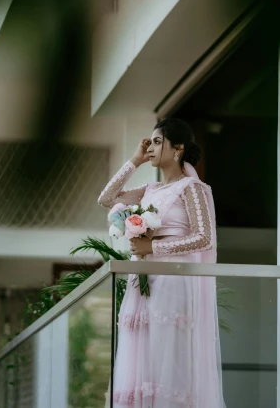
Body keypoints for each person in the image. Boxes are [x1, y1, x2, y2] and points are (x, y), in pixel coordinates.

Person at [98, 118, 226, 407]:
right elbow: (106, 199)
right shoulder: (150, 189)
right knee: (143, 359)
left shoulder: (192, 188)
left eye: (158, 142)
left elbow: (204, 238)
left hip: (172, 280)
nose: (151, 147)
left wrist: (153, 246)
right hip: (143, 280)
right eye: (150, 142)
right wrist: (134, 161)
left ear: (177, 148)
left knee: (167, 356)